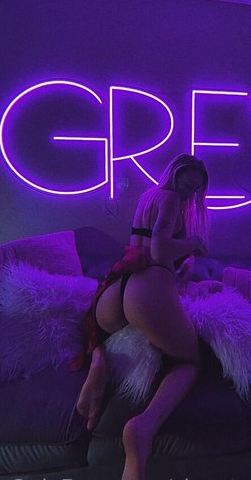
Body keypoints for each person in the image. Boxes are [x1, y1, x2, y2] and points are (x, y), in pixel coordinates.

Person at [74, 154, 209, 480]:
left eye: (195, 190)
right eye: (187, 186)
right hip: (147, 290)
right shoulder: (172, 199)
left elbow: (147, 245)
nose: (190, 194)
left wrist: (181, 267)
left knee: (106, 331)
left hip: (118, 288)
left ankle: (99, 360)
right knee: (190, 361)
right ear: (175, 176)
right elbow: (160, 251)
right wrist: (192, 243)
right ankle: (144, 427)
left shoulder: (149, 196)